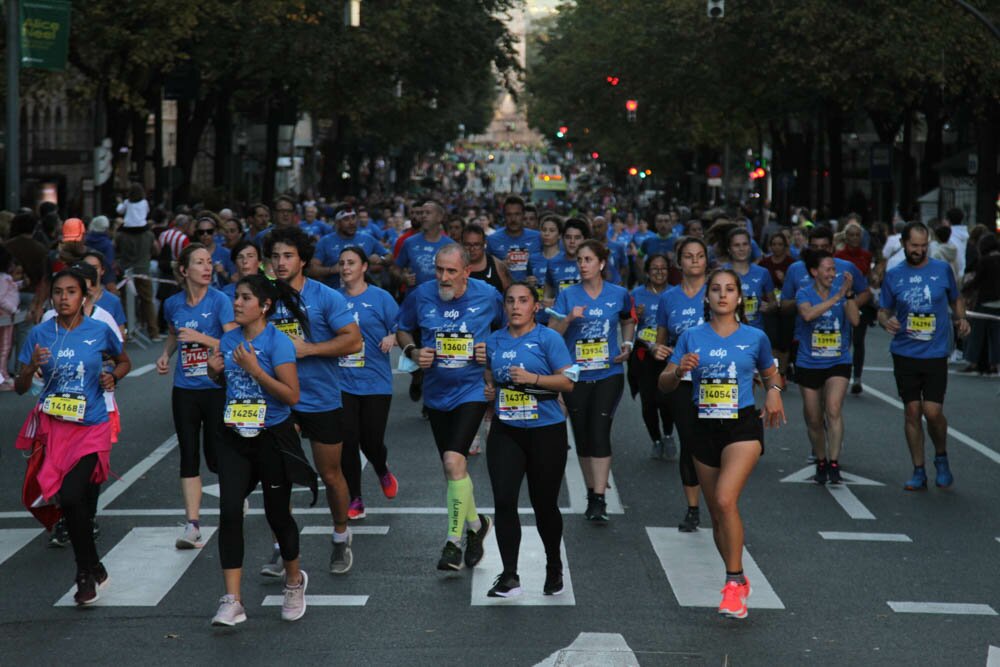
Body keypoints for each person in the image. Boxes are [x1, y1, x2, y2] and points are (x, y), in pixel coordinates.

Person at [657, 268, 785, 620]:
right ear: (708, 298)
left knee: (727, 498)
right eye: (716, 290)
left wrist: (773, 392)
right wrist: (677, 369)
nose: (723, 295)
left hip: (742, 426)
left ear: (739, 298)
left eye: (730, 290)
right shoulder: (691, 337)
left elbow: (773, 375)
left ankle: (732, 582)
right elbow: (665, 384)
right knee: (717, 511)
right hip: (703, 426)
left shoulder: (754, 337)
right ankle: (738, 577)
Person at [205, 274, 318, 626]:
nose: (236, 303)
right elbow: (230, 383)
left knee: (276, 515)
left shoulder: (278, 343)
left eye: (245, 298)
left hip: (272, 437)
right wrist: (214, 374)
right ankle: (232, 600)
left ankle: (294, 581)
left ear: (264, 306)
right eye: (236, 297)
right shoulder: (228, 339)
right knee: (228, 513)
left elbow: (292, 395)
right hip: (234, 436)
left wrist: (256, 369)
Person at [15, 270, 131, 605]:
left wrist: (112, 377)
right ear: (51, 297)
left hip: (92, 425)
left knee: (71, 494)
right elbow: (21, 387)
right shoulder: (39, 333)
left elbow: (123, 361)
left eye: (71, 292)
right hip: (55, 429)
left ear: (84, 297)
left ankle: (83, 574)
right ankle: (93, 563)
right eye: (58, 292)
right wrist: (29, 367)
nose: (64, 298)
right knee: (71, 502)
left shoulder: (99, 331)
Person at [263, 226, 363, 575]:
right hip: (279, 401)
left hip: (320, 397)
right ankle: (282, 546)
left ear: (303, 260)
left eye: (288, 255)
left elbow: (353, 341)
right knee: (279, 477)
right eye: (275, 256)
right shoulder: (265, 297)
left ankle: (340, 537)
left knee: (330, 474)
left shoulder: (325, 297)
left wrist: (309, 349)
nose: (280, 262)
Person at [396, 244, 502, 570]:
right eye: (439, 270)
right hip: (436, 392)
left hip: (471, 390)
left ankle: (452, 543)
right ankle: (476, 525)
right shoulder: (421, 294)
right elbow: (403, 329)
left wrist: (492, 352)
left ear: (466, 272)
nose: (443, 277)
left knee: (454, 460)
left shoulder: (488, 296)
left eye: (451, 271)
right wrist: (413, 351)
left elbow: (510, 328)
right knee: (452, 469)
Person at [482, 282, 575, 597]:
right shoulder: (493, 341)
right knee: (504, 500)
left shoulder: (548, 338)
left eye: (523, 301)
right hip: (506, 429)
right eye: (510, 301)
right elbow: (489, 375)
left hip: (545, 430)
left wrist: (533, 379)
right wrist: (489, 393)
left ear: (535, 306)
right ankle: (509, 576)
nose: (515, 306)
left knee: (544, 504)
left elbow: (569, 380)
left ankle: (553, 565)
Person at [878, 222, 970, 490]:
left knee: (932, 411)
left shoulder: (942, 269)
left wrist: (961, 318)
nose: (919, 250)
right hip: (905, 351)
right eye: (914, 246)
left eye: (923, 246)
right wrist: (887, 321)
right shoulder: (894, 275)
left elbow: (956, 298)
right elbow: (883, 309)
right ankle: (918, 469)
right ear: (904, 244)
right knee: (912, 410)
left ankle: (941, 456)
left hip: (935, 351)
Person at [156, 243, 237, 548]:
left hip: (216, 388)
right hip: (185, 389)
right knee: (188, 455)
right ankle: (193, 524)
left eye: (209, 262)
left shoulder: (220, 301)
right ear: (183, 270)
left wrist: (203, 339)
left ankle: (235, 497)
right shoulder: (173, 304)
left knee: (216, 458)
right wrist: (166, 354)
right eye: (199, 262)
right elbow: (175, 333)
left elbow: (232, 341)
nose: (207, 267)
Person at [549, 240, 635, 522]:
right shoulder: (567, 295)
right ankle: (591, 491)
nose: (582, 265)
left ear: (601, 263)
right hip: (576, 376)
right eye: (579, 260)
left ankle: (599, 499)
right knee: (584, 436)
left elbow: (627, 319)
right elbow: (552, 335)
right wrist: (569, 320)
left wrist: (628, 344)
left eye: (588, 260)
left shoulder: (619, 294)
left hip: (608, 373)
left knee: (599, 430)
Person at [336, 247, 400, 520]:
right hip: (342, 382)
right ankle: (356, 498)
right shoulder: (333, 299)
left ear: (364, 267)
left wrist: (392, 337)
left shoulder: (380, 298)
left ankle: (382, 469)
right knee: (348, 441)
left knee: (371, 441)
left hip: (375, 381)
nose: (346, 267)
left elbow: (401, 326)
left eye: (351, 262)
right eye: (342, 263)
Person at [653, 237, 709, 531]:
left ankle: (718, 497)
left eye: (700, 256)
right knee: (689, 442)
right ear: (679, 262)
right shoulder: (669, 298)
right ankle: (693, 507)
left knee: (716, 442)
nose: (695, 261)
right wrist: (656, 350)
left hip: (716, 379)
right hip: (682, 380)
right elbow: (661, 341)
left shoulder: (717, 291)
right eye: (688, 256)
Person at [795, 250, 860, 484]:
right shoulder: (804, 293)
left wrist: (848, 295)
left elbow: (855, 321)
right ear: (814, 272)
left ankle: (834, 462)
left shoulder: (843, 293)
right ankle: (821, 460)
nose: (833, 273)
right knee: (813, 418)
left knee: (833, 408)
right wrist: (836, 298)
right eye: (828, 269)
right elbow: (808, 315)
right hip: (809, 362)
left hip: (837, 360)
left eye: (834, 269)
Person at [630, 254, 675, 459]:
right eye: (655, 268)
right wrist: (634, 317)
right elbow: (626, 325)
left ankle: (667, 435)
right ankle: (655, 440)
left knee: (665, 399)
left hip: (668, 354)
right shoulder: (636, 294)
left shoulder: (676, 294)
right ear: (647, 272)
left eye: (663, 268)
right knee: (648, 401)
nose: (659, 272)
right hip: (643, 354)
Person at [834, 221, 876, 393]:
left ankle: (857, 378)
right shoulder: (838, 255)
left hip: (860, 300)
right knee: (844, 339)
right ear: (845, 237)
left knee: (859, 340)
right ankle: (838, 375)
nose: (854, 238)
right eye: (850, 235)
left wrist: (873, 279)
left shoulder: (866, 255)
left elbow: (868, 277)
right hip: (841, 301)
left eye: (857, 235)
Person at [311, 209, 390, 289]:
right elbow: (312, 270)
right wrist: (332, 270)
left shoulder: (367, 238)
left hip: (364, 293)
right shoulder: (325, 241)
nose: (352, 222)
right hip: (334, 293)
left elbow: (390, 256)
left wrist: (381, 259)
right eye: (346, 219)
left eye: (353, 218)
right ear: (337, 223)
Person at [724, 228, 775, 331]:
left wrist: (769, 308)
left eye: (745, 244)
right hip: (727, 332)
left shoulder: (763, 273)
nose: (741, 248)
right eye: (736, 245)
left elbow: (773, 303)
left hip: (755, 332)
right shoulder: (721, 273)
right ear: (729, 249)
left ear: (750, 248)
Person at [760, 232, 795, 376]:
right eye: (774, 244)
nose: (776, 247)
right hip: (770, 306)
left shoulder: (791, 264)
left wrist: (784, 279)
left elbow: (795, 285)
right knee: (772, 339)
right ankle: (775, 372)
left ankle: (783, 371)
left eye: (780, 244)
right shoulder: (764, 264)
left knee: (785, 341)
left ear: (785, 246)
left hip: (786, 306)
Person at [487, 196, 542, 283]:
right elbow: (486, 271)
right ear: (504, 215)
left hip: (532, 292)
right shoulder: (492, 239)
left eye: (517, 214)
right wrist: (499, 266)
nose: (513, 219)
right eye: (509, 214)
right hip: (503, 293)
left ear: (523, 214)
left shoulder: (538, 237)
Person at [545, 218, 588, 298]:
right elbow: (548, 290)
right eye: (568, 237)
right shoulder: (552, 263)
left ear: (585, 240)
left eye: (577, 238)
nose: (572, 241)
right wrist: (547, 300)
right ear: (562, 239)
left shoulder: (593, 263)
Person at [465, 224, 510, 294]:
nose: (472, 249)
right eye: (467, 245)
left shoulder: (497, 265)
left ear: (484, 244)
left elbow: (509, 293)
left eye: (476, 244)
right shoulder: (455, 265)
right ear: (461, 244)